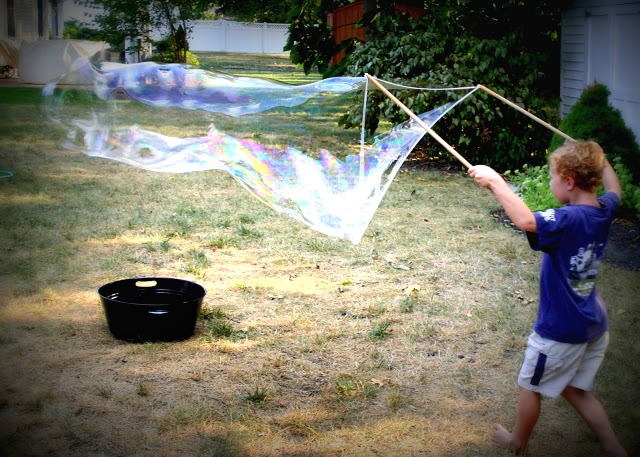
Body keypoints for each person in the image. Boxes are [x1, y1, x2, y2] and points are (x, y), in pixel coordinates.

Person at [468, 140, 627, 456]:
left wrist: (496, 182)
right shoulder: (605, 211)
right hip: (593, 326)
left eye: (553, 176)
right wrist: (602, 159)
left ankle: (518, 442)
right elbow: (615, 189)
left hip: (561, 332)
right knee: (574, 387)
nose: (551, 181)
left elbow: (526, 221)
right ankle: (612, 446)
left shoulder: (567, 220)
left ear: (568, 182)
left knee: (529, 385)